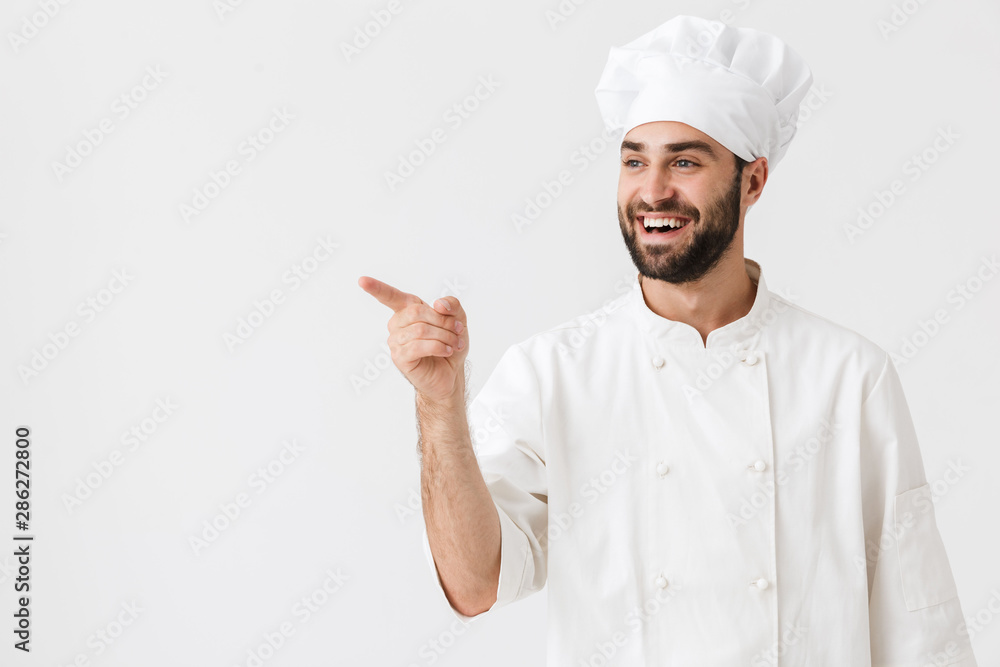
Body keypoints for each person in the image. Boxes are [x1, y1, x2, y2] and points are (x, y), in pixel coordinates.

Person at [359, 14, 979, 666]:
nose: (652, 190)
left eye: (684, 160)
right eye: (635, 161)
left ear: (754, 180)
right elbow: (475, 581)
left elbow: (920, 629)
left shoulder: (849, 378)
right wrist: (438, 407)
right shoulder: (554, 373)